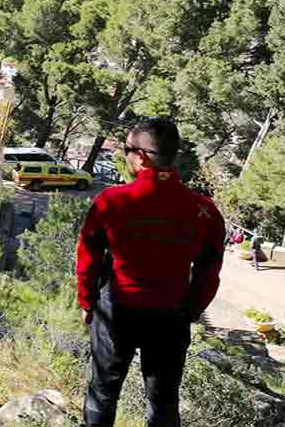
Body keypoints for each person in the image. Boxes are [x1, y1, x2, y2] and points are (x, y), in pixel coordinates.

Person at [76, 117, 225, 427]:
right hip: (170, 317)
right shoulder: (205, 211)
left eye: (127, 149)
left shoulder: (111, 202)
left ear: (141, 156)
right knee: (163, 404)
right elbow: (209, 271)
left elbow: (88, 257)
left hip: (116, 312)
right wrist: (192, 309)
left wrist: (88, 303)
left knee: (103, 394)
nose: (125, 156)